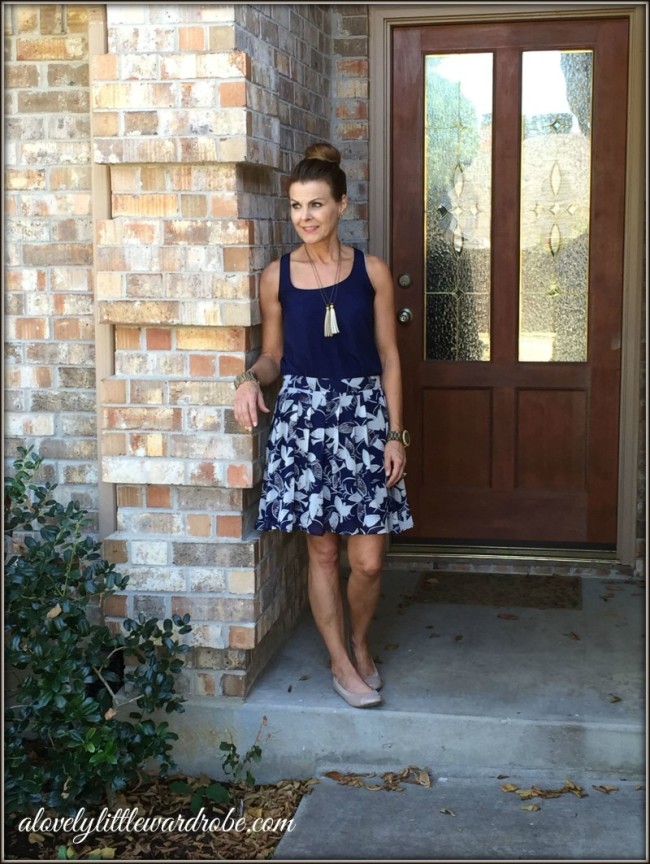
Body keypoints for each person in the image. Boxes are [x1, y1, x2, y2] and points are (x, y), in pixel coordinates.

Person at [233, 142, 413, 709]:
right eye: (295, 207)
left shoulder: (371, 272)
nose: (304, 217)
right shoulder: (276, 277)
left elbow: (389, 357)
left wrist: (395, 434)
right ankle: (339, 660)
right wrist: (246, 378)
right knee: (324, 553)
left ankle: (360, 643)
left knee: (368, 559)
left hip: (363, 422)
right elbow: (274, 357)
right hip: (305, 422)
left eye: (315, 205)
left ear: (340, 206)